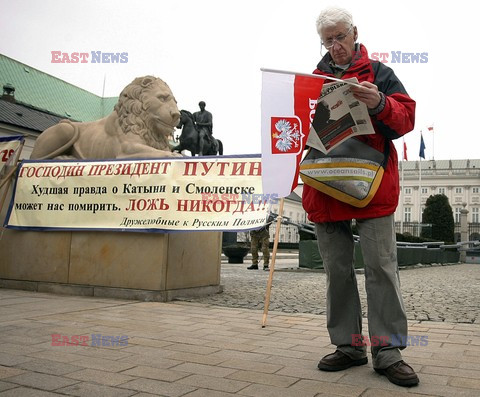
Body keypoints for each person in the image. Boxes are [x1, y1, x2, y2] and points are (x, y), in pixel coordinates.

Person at [301, 7, 418, 387]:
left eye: (340, 37)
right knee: (336, 270)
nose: (335, 46)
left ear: (354, 33)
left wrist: (380, 103)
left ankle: (387, 352)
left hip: (372, 183)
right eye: (327, 40)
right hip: (325, 184)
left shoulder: (380, 74)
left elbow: (405, 120)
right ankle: (349, 346)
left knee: (381, 268)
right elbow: (292, 127)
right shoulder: (310, 79)